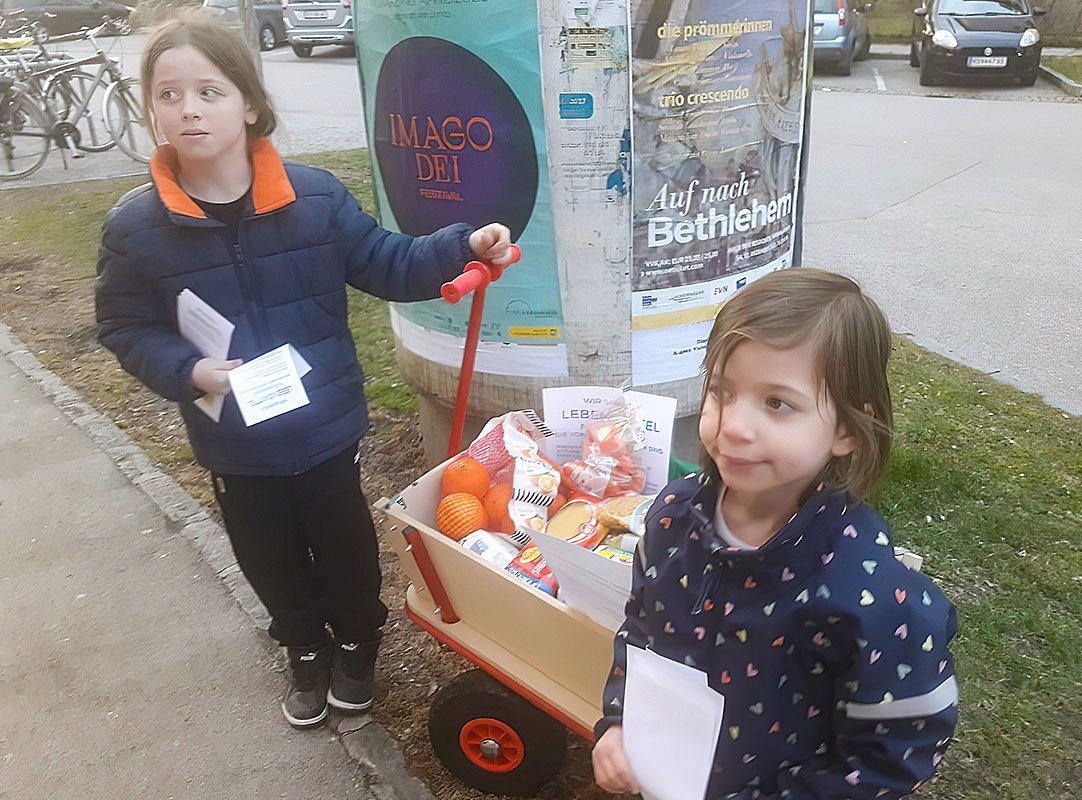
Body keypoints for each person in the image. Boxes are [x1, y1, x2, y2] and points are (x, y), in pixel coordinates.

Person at [94, 13, 513, 729]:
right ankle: (302, 645)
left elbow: (386, 261)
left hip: (323, 425)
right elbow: (124, 326)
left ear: (250, 104)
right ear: (151, 111)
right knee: (266, 552)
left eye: (209, 91)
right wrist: (192, 370)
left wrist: (460, 246)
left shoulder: (313, 198)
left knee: (343, 541)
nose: (189, 109)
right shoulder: (137, 229)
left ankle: (356, 640)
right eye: (169, 95)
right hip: (233, 438)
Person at [592, 268, 959, 799]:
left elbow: (896, 747)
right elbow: (641, 631)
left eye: (777, 404)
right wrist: (619, 719)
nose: (734, 426)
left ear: (847, 429)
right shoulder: (671, 519)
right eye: (722, 391)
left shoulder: (866, 592)